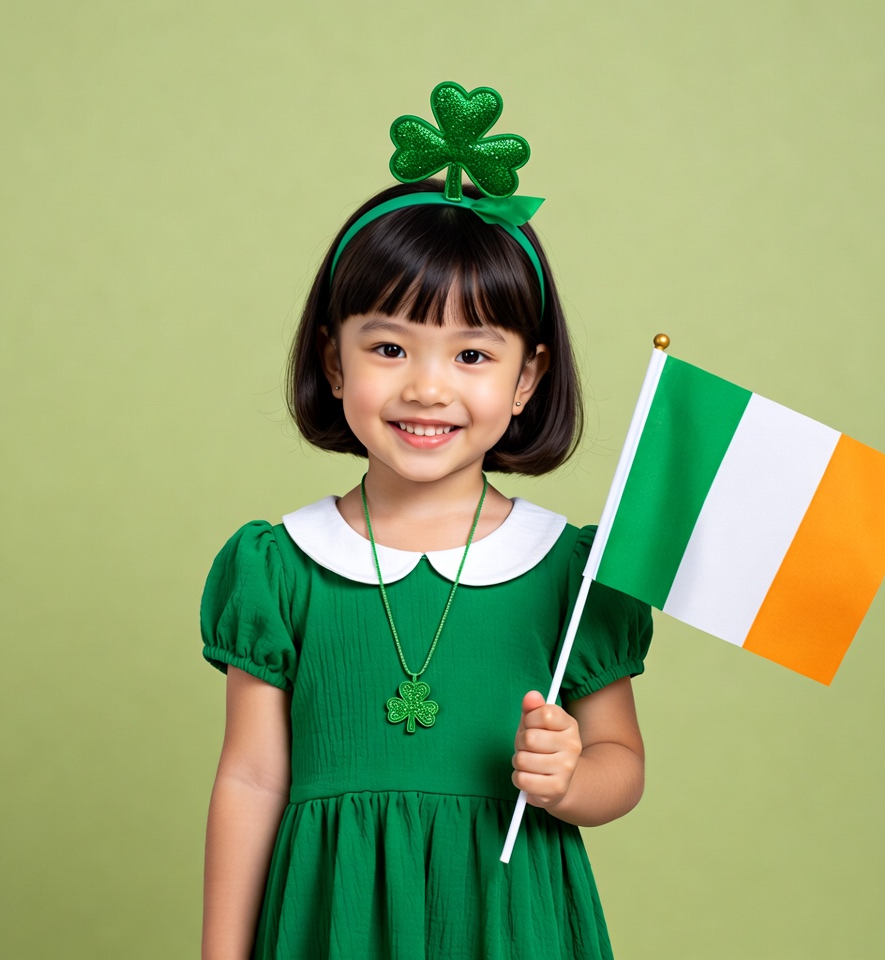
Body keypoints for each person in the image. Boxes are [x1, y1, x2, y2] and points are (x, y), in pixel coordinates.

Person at [200, 166, 653, 959]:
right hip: (327, 925)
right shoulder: (279, 566)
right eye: (387, 347)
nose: (427, 386)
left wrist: (573, 781)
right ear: (334, 363)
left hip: (511, 923)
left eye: (473, 354)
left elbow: (622, 760)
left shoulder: (567, 570)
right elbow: (250, 780)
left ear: (528, 379)